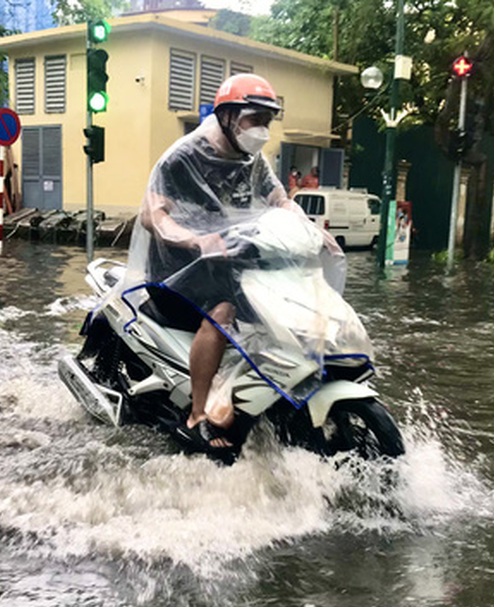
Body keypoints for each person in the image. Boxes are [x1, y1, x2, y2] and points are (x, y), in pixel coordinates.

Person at [132, 73, 342, 450]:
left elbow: (280, 201)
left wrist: (311, 229)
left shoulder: (253, 160)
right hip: (176, 272)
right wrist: (194, 239)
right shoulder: (182, 157)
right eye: (253, 119)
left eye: (267, 121)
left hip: (228, 264)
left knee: (282, 304)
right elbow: (153, 216)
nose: (261, 130)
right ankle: (197, 415)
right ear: (227, 116)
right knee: (225, 311)